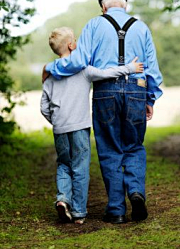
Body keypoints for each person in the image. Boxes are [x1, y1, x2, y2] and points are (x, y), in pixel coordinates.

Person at [42, 0, 163, 224]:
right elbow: (153, 70)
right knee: (134, 146)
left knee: (109, 149)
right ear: (125, 5)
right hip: (136, 90)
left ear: (103, 7)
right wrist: (149, 99)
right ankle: (136, 192)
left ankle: (116, 210)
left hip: (105, 93)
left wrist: (50, 68)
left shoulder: (94, 25)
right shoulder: (141, 27)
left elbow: (76, 61)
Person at [40, 26, 143, 225]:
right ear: (72, 45)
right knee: (80, 167)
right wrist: (129, 69)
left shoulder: (50, 76)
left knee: (64, 164)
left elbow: (44, 106)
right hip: (79, 127)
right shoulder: (83, 70)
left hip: (60, 128)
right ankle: (78, 212)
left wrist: (56, 121)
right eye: (76, 40)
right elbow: (107, 73)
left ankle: (62, 199)